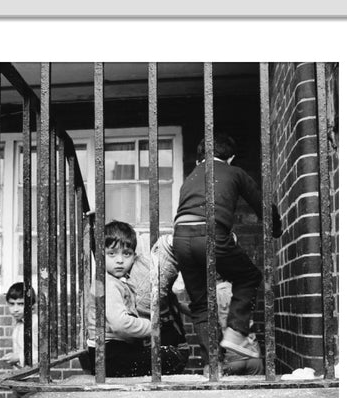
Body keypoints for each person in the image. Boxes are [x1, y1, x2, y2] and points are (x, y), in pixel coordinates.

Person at [172, 133, 282, 371]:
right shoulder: (234, 172)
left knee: (201, 304)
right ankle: (236, 332)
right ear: (230, 158)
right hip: (210, 234)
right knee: (249, 276)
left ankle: (213, 365)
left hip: (180, 238)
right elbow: (262, 203)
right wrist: (276, 228)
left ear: (198, 159)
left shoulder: (190, 177)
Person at [86, 221, 186, 377]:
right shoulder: (107, 284)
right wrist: (152, 327)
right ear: (100, 255)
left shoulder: (118, 281)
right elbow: (120, 324)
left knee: (167, 352)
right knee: (170, 358)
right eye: (112, 253)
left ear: (134, 256)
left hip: (113, 351)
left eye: (126, 253)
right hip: (107, 354)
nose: (119, 260)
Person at [1, 282, 38, 398]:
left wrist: (19, 357)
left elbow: (46, 355)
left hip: (34, 383)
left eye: (20, 304)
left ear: (31, 304)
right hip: (20, 384)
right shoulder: (18, 324)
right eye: (12, 304)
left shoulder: (34, 323)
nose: (15, 309)